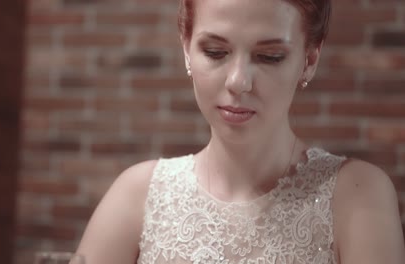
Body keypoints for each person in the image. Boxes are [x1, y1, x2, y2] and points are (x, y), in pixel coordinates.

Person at [75, 0, 405, 263]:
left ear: (310, 59)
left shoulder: (358, 196)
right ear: (186, 47)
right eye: (215, 52)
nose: (238, 82)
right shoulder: (137, 195)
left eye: (269, 57)